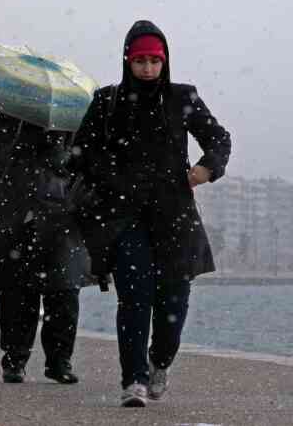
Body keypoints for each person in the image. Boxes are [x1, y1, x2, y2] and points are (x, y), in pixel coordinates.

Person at [71, 20, 231, 407]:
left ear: (165, 61)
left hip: (174, 216)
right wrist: (108, 178)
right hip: (125, 219)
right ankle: (134, 380)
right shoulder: (107, 101)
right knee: (135, 299)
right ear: (128, 60)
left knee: (174, 301)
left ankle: (160, 361)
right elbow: (81, 154)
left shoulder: (182, 97)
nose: (147, 69)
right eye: (140, 61)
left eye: (154, 61)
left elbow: (219, 138)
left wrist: (207, 167)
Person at [0, 111, 89, 384]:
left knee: (64, 292)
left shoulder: (70, 123)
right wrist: (10, 151)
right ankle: (15, 359)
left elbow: (89, 167)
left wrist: (63, 159)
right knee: (16, 292)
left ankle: (59, 361)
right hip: (13, 220)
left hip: (61, 219)